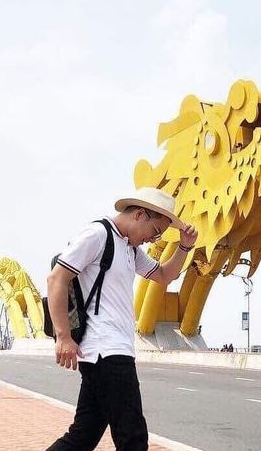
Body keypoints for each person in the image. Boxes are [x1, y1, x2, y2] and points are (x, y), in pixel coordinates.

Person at [46, 187, 198, 451]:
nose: (154, 239)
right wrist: (63, 336)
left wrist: (184, 247)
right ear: (140, 214)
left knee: (82, 437)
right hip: (108, 353)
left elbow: (163, 276)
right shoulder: (97, 235)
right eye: (156, 232)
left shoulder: (129, 248)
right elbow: (57, 278)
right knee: (133, 440)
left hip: (106, 355)